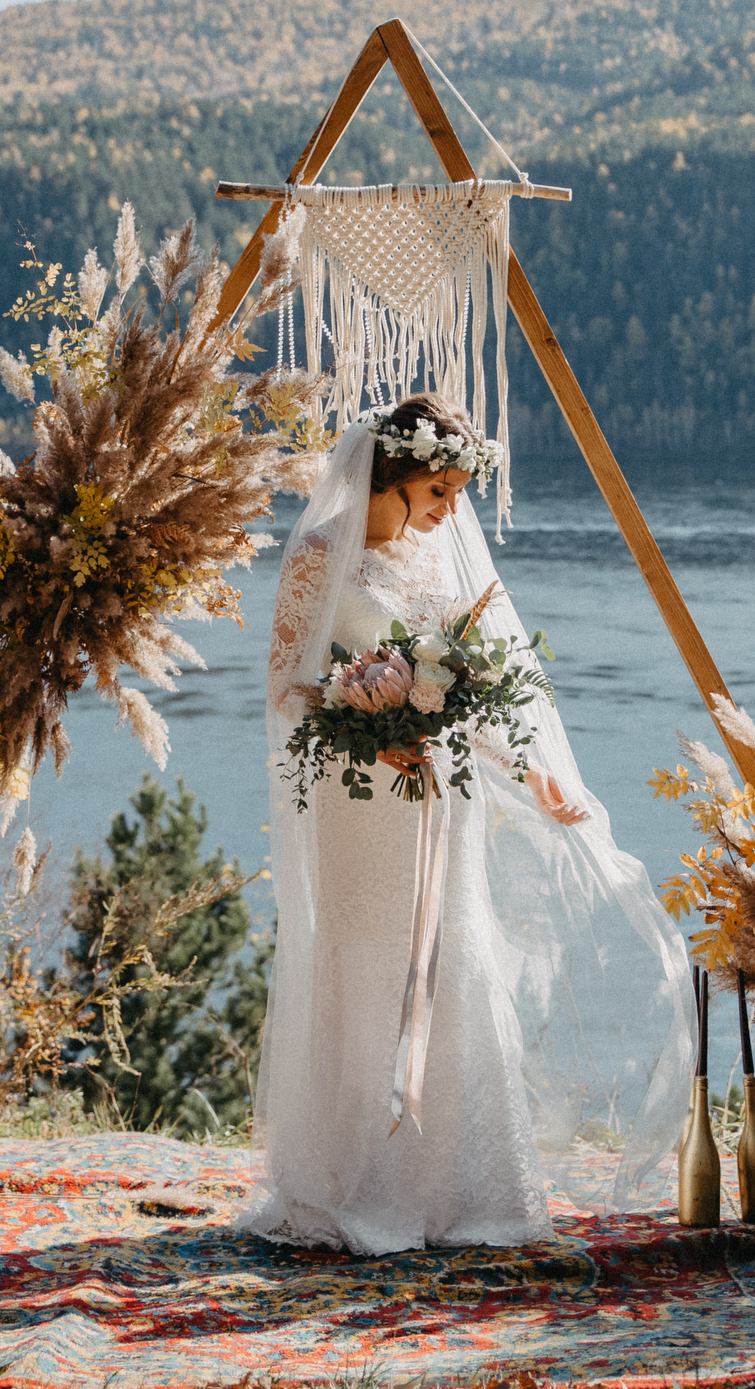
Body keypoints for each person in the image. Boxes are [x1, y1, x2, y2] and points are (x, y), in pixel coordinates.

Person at [243, 393, 695, 1254]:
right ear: (403, 476)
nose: (451, 513)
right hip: (359, 800)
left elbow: (472, 690)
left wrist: (535, 771)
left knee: (456, 962)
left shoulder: (433, 566)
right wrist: (367, 736)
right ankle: (351, 1180)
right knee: (366, 963)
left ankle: (457, 1189)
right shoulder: (314, 560)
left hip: (443, 799)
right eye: (442, 491)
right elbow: (286, 689)